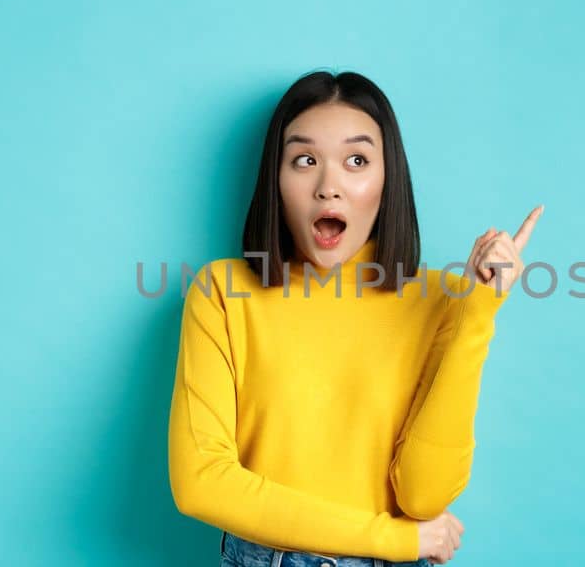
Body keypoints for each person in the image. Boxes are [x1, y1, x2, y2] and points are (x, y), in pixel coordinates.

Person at [167, 69, 542, 566]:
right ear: (276, 180)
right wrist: (392, 540)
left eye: (357, 160)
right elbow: (200, 483)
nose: (329, 187)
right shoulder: (221, 293)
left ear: (388, 180)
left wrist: (478, 313)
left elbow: (423, 497)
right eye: (304, 160)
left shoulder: (446, 299)